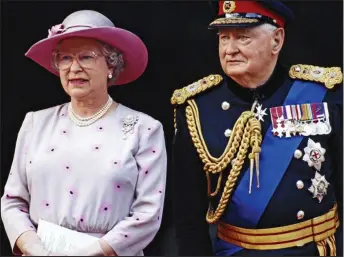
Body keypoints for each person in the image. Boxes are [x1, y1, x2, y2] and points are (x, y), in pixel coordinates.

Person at [171, 1, 342, 256]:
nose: (230, 49)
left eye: (243, 37)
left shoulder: (324, 95)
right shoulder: (196, 108)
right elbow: (188, 217)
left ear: (277, 40)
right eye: (223, 38)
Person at [1, 10, 167, 256]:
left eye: (86, 57)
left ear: (111, 64)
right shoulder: (36, 123)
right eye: (65, 58)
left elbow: (148, 215)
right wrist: (36, 250)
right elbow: (13, 201)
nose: (74, 68)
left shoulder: (145, 129)